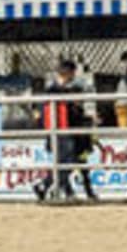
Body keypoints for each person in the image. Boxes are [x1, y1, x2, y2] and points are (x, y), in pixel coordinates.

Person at [43, 57, 97, 203]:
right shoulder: (52, 89)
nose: (70, 75)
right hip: (61, 130)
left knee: (79, 161)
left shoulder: (77, 88)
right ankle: (63, 190)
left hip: (77, 131)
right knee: (65, 161)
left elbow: (80, 104)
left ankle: (85, 191)